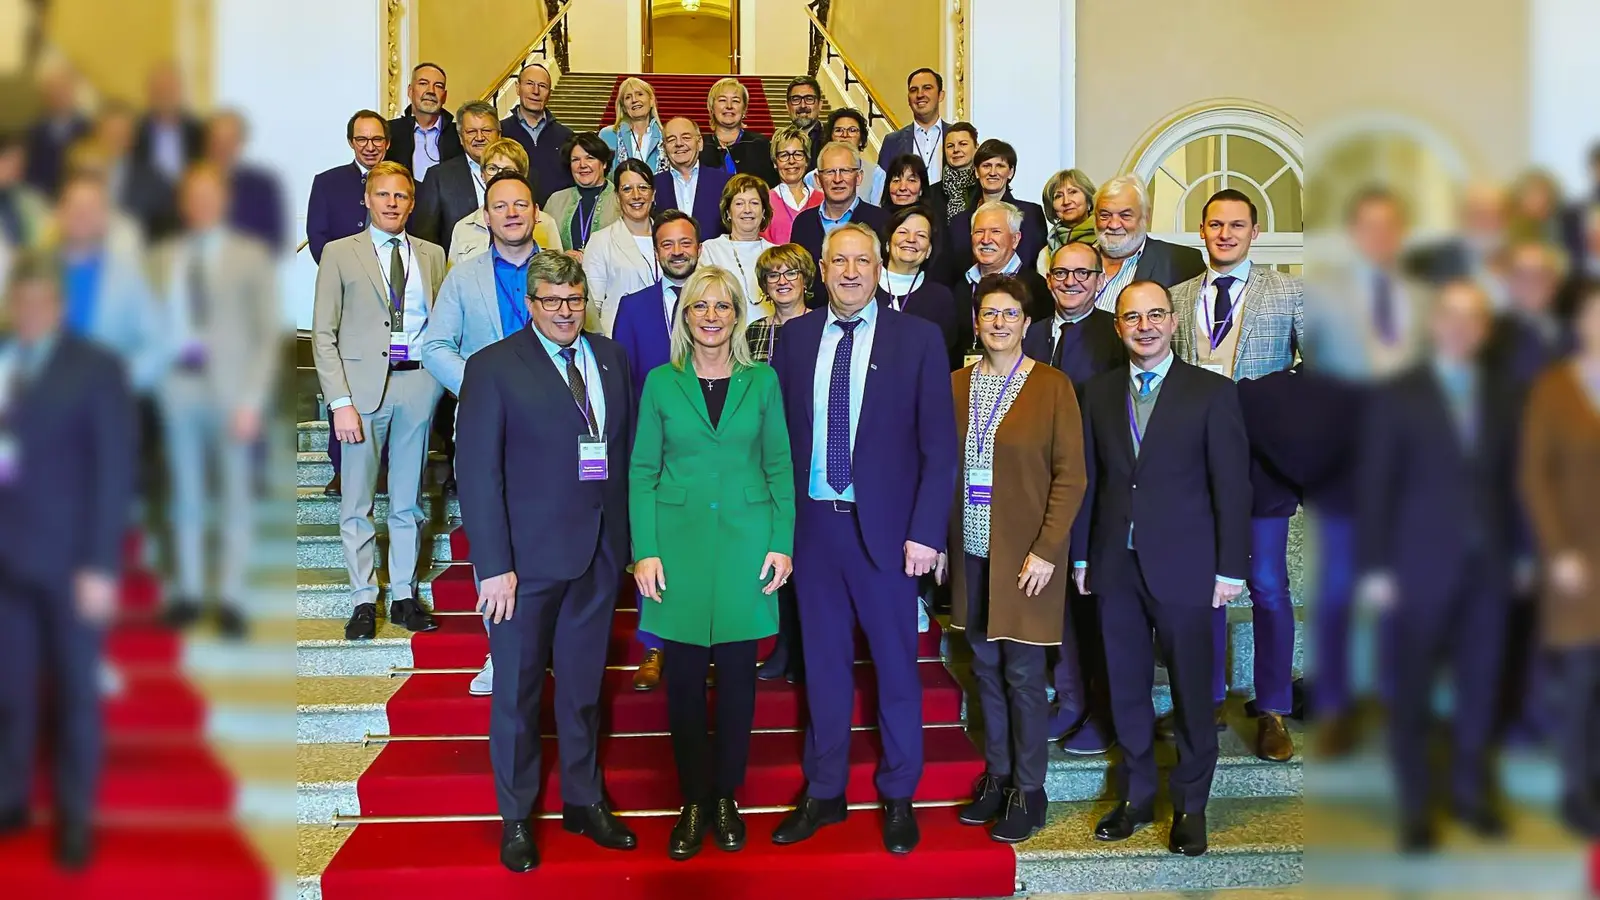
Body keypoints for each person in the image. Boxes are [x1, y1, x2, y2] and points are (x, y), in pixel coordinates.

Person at [768, 222, 959, 855]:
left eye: (862, 261)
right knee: (821, 668)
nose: (850, 272)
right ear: (822, 270)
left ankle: (899, 793)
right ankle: (824, 792)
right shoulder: (793, 339)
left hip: (888, 535)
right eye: (839, 261)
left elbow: (939, 447)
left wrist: (927, 532)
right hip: (814, 530)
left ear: (879, 269)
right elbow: (778, 445)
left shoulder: (919, 339)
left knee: (897, 668)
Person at [455, 250, 639, 872]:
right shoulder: (492, 368)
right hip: (523, 567)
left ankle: (584, 801)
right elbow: (476, 475)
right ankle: (516, 816)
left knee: (583, 690)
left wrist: (630, 549)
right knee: (516, 692)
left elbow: (624, 457)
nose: (565, 312)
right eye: (552, 301)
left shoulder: (611, 359)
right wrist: (493, 565)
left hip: (597, 554)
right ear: (530, 304)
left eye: (574, 299)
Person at [1074, 279, 1250, 857]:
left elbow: (1232, 487)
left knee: (1192, 691)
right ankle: (1138, 795)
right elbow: (1090, 483)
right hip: (1114, 565)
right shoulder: (1097, 394)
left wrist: (1230, 569)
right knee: (1124, 685)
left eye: (1155, 315)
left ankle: (1192, 804)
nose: (1144, 326)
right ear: (1118, 327)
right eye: (1132, 317)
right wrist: (1082, 556)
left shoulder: (1211, 392)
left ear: (1172, 322)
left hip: (1188, 566)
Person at [630, 265, 795, 859]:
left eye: (722, 307)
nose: (711, 317)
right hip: (676, 549)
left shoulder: (764, 382)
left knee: (736, 686)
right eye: (700, 307)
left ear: (737, 316)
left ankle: (726, 795)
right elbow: (643, 471)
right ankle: (694, 798)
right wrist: (644, 550)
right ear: (685, 315)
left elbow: (779, 464)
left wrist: (783, 541)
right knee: (680, 684)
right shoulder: (659, 383)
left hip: (749, 546)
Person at [1356, 280, 1518, 852]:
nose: (1461, 326)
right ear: (1435, 323)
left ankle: (1471, 797)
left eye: (1473, 318)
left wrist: (1521, 554)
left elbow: (1513, 483)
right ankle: (1417, 809)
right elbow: (1374, 486)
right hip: (1414, 570)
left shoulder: (1504, 393)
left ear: (1484, 329)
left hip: (1491, 570)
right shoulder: (1399, 394)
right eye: (1451, 315)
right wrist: (1374, 569)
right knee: (1413, 692)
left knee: (1481, 687)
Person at [0, 253, 137, 870]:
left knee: (76, 696)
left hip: (70, 560)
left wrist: (101, 567)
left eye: (39, 303)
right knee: (9, 689)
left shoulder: (96, 368)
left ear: (56, 306)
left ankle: (75, 818)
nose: (29, 314)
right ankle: (10, 798)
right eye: (19, 303)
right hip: (5, 560)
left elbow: (113, 473)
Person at [941, 274, 1085, 843]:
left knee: (1024, 675)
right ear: (976, 322)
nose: (999, 322)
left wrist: (1048, 549)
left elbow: (1072, 477)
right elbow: (937, 469)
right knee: (983, 668)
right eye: (989, 313)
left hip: (1027, 557)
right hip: (971, 551)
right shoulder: (954, 384)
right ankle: (997, 777)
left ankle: (1031, 788)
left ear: (1027, 323)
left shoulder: (1052, 386)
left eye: (1010, 314)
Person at [1171, 189, 1305, 762]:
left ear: (1254, 232)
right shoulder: (1175, 300)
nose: (1225, 234)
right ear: (1201, 232)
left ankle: (1272, 706)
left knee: (1269, 585)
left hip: (1262, 462)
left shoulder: (1290, 291)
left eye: (1237, 225)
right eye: (1215, 225)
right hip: (1193, 463)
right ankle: (1206, 700)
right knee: (1204, 587)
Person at [1300, 187, 1427, 754]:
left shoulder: (1425, 300)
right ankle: (1336, 709)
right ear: (1355, 233)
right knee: (1337, 593)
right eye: (1367, 226)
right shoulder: (1324, 301)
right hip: (1346, 476)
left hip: (1413, 481)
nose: (1378, 236)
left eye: (1388, 226)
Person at [423, 171, 545, 696]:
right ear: (486, 215)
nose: (512, 213)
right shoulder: (463, 276)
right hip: (487, 422)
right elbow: (434, 346)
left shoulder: (561, 271)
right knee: (492, 536)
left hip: (553, 426)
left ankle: (547, 647)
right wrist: (480, 384)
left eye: (521, 204)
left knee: (549, 537)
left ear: (536, 211)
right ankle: (502, 652)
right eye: (501, 206)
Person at [312, 160, 445, 641]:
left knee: (407, 501)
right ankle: (364, 598)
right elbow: (323, 335)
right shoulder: (339, 253)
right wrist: (339, 401)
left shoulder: (431, 254)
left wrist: (436, 382)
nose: (392, 203)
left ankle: (405, 593)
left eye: (402, 196)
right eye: (383, 194)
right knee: (357, 502)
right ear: (367, 199)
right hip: (361, 391)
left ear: (412, 202)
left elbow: (439, 324)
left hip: (416, 385)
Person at [149, 163, 278, 639]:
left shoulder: (251, 256)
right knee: (184, 494)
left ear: (223, 201)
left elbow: (267, 336)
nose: (202, 204)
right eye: (194, 195)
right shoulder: (161, 257)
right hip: (178, 387)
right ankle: (185, 592)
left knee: (234, 496)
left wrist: (252, 400)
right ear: (185, 202)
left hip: (233, 392)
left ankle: (229, 598)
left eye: (210, 195)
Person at [1023, 241, 1125, 753]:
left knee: (1097, 606)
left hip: (1100, 488)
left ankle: (1105, 712)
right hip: (1040, 490)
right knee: (1057, 602)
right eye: (1060, 274)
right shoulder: (1032, 332)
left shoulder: (1115, 333)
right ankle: (1069, 698)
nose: (1070, 282)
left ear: (1100, 279)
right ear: (1047, 279)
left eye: (1081, 274)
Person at [1519, 283, 1600, 836]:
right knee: (1580, 684)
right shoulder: (1553, 387)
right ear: (1579, 321)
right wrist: (1558, 552)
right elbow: (1533, 476)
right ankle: (1578, 790)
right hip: (1577, 566)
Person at [1092, 175, 1206, 310]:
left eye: (1125, 216)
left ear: (1146, 216)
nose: (1114, 225)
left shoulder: (1182, 262)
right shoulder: (1074, 261)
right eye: (1105, 215)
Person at [445, 138, 562, 266]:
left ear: (523, 175)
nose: (498, 175)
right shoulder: (463, 227)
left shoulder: (545, 223)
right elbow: (454, 279)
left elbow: (557, 275)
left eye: (508, 170)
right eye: (492, 168)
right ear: (482, 175)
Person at [958, 201, 1053, 360]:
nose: (986, 239)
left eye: (995, 231)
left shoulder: (1036, 288)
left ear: (1015, 239)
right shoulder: (961, 286)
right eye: (979, 232)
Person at [409, 100, 503, 253]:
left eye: (486, 130)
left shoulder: (523, 174)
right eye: (471, 131)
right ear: (460, 137)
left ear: (499, 134)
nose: (479, 137)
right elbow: (426, 241)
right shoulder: (438, 178)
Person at [791, 142, 888, 286]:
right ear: (818, 180)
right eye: (830, 172)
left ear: (859, 177)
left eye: (845, 171)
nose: (837, 179)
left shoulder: (881, 221)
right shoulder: (803, 223)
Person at [582, 159, 662, 334]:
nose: (636, 195)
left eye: (643, 187)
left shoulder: (669, 239)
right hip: (620, 339)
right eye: (627, 189)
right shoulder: (600, 241)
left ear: (653, 194)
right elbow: (591, 307)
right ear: (617, 197)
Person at [949, 140, 1048, 279]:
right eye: (986, 166)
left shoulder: (1031, 214)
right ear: (977, 172)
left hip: (1020, 293)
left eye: (1000, 166)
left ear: (1010, 172)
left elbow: (1037, 263)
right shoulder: (958, 221)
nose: (993, 172)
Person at [877, 204, 959, 365]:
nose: (911, 239)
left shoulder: (941, 298)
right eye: (902, 232)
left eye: (921, 235)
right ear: (887, 243)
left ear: (929, 250)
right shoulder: (864, 288)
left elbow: (944, 357)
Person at [307, 110, 388, 264]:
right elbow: (318, 239)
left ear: (387, 143)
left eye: (377, 139)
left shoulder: (404, 184)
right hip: (343, 278)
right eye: (361, 139)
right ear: (351, 142)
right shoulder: (326, 183)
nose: (370, 147)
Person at [203, 110, 287, 253]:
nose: (223, 148)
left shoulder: (263, 187)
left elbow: (274, 242)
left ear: (241, 143)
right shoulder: (189, 185)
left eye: (229, 141)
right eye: (218, 141)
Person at [700, 174, 775, 320]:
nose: (747, 210)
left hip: (769, 336)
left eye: (754, 203)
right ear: (728, 212)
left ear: (764, 211)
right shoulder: (710, 250)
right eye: (739, 203)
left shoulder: (776, 253)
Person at [500, 63, 574, 205]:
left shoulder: (566, 136)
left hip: (556, 215)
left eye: (542, 86)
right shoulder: (501, 132)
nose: (535, 91)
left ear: (549, 94)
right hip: (512, 214)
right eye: (529, 83)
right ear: (517, 88)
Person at [543, 132, 620, 260]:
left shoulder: (621, 199)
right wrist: (562, 257)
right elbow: (542, 248)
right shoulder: (555, 201)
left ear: (604, 163)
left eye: (590, 158)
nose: (582, 165)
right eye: (575, 160)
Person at [655, 117, 731, 241]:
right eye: (671, 139)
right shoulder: (654, 185)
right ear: (664, 148)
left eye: (686, 137)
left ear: (700, 143)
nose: (679, 144)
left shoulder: (725, 183)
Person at [384, 63, 462, 182]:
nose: (431, 91)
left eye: (438, 86)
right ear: (410, 91)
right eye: (423, 83)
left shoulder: (459, 134)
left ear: (445, 96)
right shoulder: (389, 132)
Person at [24, 62, 91, 197]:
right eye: (53, 89)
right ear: (45, 94)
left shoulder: (90, 130)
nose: (59, 94)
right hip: (39, 201)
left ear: (74, 91)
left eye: (64, 88)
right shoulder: (32, 131)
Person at [132, 61, 204, 184]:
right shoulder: (134, 132)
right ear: (149, 93)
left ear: (181, 92)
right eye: (159, 89)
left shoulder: (199, 132)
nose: (165, 95)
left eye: (170, 89)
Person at [877, 68, 948, 192]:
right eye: (913, 90)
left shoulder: (957, 136)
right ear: (908, 99)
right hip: (906, 210)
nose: (920, 95)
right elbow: (883, 188)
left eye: (927, 88)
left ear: (941, 95)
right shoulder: (892, 141)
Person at [701, 77, 778, 187]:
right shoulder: (700, 146)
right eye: (722, 100)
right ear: (712, 107)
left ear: (744, 109)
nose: (729, 106)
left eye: (736, 101)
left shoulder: (761, 145)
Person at [746, 243, 815, 365]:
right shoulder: (753, 330)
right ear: (765, 285)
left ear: (805, 280)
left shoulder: (822, 325)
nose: (782, 281)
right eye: (773, 276)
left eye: (791, 273)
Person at [804, 109, 884, 205]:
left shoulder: (876, 174)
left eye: (852, 130)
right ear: (830, 138)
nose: (845, 135)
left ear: (861, 140)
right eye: (838, 130)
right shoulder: (812, 178)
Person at [762, 125, 821, 245]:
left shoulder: (822, 200)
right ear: (775, 162)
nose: (791, 161)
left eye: (798, 154)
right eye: (784, 155)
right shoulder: (764, 201)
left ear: (807, 160)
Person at [600, 77, 665, 174]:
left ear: (651, 100)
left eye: (640, 94)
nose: (634, 100)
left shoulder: (665, 136)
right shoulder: (608, 135)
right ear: (624, 107)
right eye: (628, 97)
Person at [1039, 168, 1097, 271]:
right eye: (1058, 196)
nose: (1066, 201)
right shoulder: (1045, 254)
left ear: (1088, 200)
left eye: (1073, 192)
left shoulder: (1103, 241)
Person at [928, 122, 979, 224]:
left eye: (963, 144)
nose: (956, 150)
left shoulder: (984, 190)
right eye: (950, 146)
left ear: (976, 147)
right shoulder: (930, 193)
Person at [783, 76, 826, 170]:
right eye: (795, 99)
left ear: (820, 105)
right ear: (787, 106)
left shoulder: (831, 139)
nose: (803, 105)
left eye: (809, 99)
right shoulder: (779, 142)